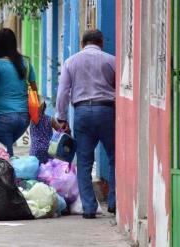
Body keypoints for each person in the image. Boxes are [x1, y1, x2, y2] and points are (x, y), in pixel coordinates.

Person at [56, 29, 116, 219]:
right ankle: (114, 203)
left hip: (82, 113)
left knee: (84, 161)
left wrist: (62, 117)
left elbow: (63, 91)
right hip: (106, 111)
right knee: (114, 157)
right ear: (101, 43)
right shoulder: (111, 60)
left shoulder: (71, 61)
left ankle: (89, 207)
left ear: (82, 44)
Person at [0, 28, 37, 157]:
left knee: (6, 155)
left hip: (3, 117)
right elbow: (34, 88)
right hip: (24, 118)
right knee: (7, 149)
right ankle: (11, 173)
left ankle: (10, 175)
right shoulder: (26, 62)